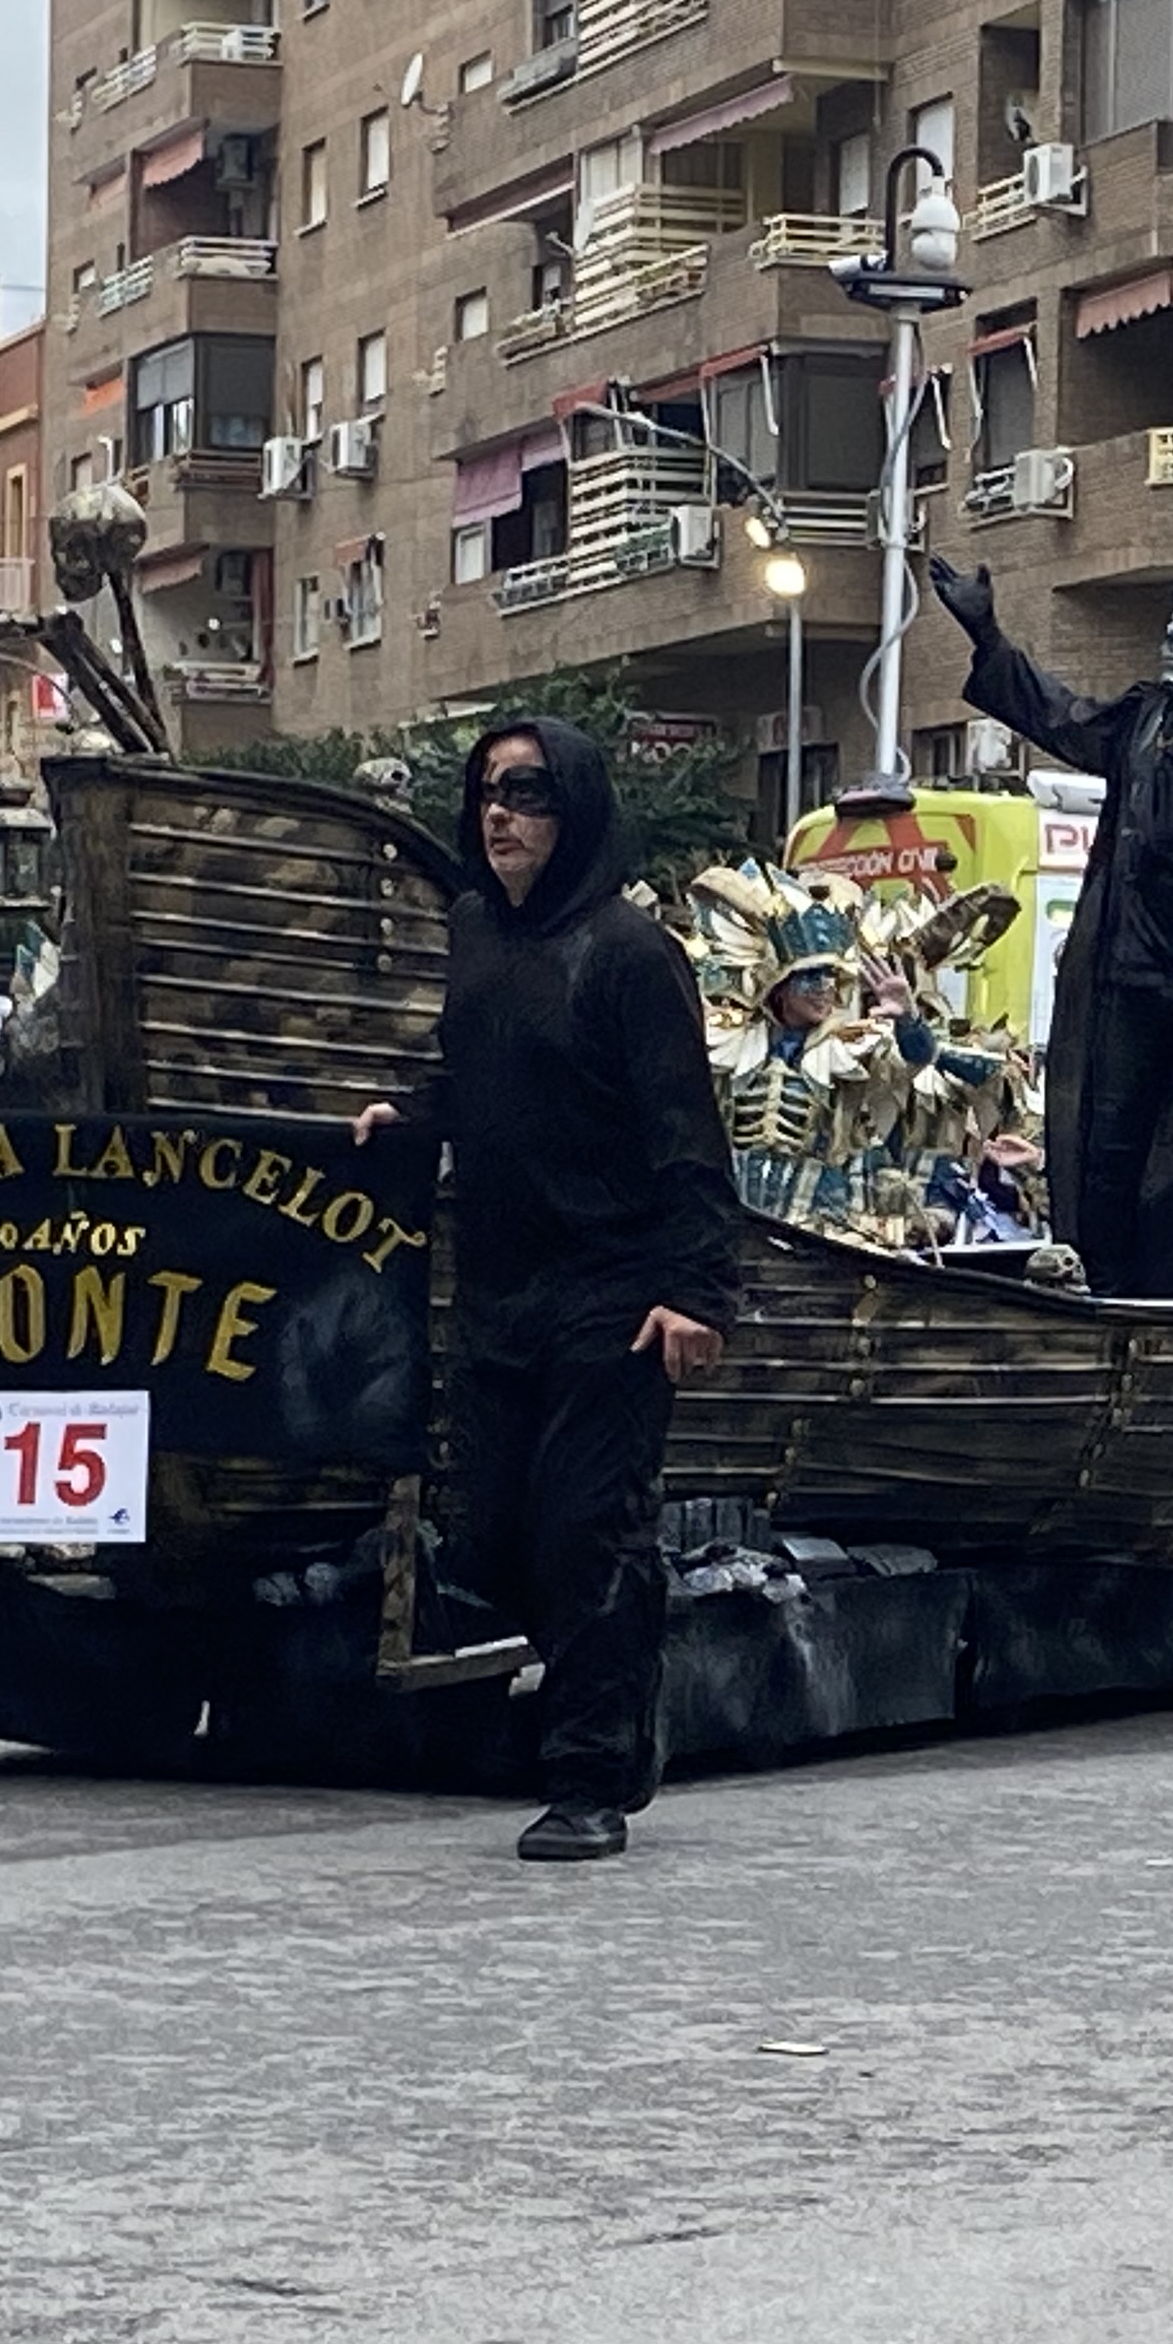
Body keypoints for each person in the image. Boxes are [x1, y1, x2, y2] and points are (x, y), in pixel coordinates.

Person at [354, 719, 738, 1863]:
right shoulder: (474, 931)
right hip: (499, 1290)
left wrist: (697, 1294)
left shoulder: (630, 953)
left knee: (586, 1533)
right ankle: (623, 1716)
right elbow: (473, 1073)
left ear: (573, 808)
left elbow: (688, 1138)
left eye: (526, 792)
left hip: (613, 1296)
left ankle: (586, 1778)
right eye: (485, 793)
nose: (500, 814)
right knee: (493, 1537)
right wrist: (409, 1119)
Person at [930, 534, 1173, 1299]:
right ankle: (1105, 1294)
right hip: (1132, 966)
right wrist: (986, 634)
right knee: (1107, 1148)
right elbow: (1060, 717)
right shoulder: (1146, 719)